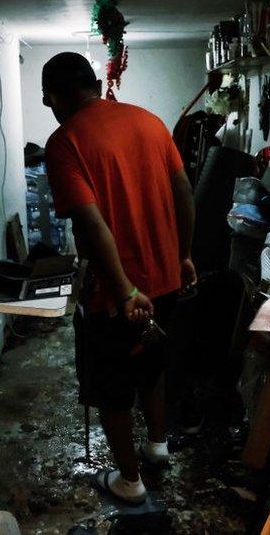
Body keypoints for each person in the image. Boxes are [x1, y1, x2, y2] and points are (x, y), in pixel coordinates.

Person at [41, 52, 196, 505]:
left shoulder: (64, 142)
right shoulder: (148, 121)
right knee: (151, 362)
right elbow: (183, 189)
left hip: (118, 293)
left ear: (54, 96)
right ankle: (159, 445)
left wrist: (124, 290)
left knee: (111, 387)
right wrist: (183, 255)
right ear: (93, 83)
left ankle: (129, 481)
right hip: (165, 281)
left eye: (48, 99)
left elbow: (91, 222)